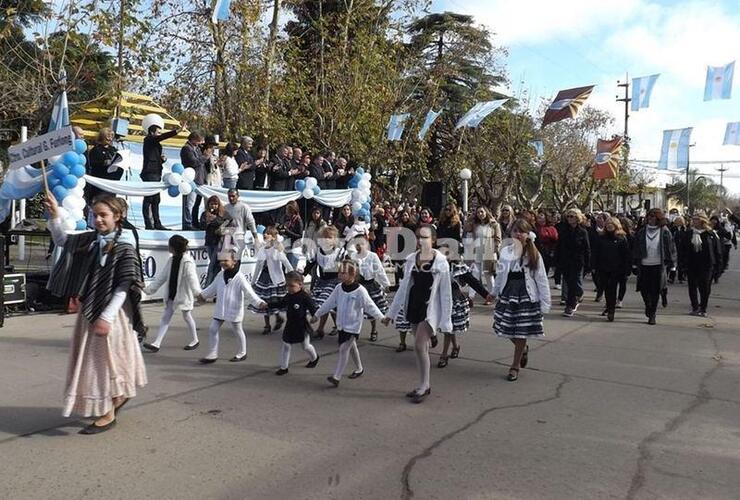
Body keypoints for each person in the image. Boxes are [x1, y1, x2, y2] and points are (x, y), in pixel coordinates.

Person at [45, 194, 146, 434]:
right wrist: (55, 214)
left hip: (113, 314)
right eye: (95, 214)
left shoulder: (125, 246)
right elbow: (61, 240)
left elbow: (124, 286)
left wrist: (106, 317)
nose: (98, 219)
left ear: (118, 217)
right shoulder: (93, 239)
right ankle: (118, 396)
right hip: (92, 308)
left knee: (102, 362)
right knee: (106, 361)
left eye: (104, 215)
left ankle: (108, 412)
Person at [385, 224, 452, 403]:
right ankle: (424, 383)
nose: (420, 240)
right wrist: (391, 313)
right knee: (421, 347)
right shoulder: (411, 259)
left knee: (419, 345)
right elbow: (403, 287)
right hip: (414, 305)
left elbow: (446, 293)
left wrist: (446, 321)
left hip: (430, 309)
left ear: (433, 240)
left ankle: (424, 385)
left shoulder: (441, 262)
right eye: (418, 237)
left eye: (424, 237)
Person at [491, 219, 551, 382]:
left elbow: (541, 279)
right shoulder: (506, 252)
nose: (518, 234)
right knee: (503, 325)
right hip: (509, 292)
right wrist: (494, 292)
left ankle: (515, 366)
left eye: (521, 231)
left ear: (527, 234)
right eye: (515, 231)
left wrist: (545, 302)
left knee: (521, 329)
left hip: (526, 294)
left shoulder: (534, 253)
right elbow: (501, 274)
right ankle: (523, 348)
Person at [316, 258, 384, 387]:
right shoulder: (338, 288)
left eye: (343, 273)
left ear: (353, 274)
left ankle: (336, 376)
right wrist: (317, 314)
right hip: (342, 324)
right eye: (339, 272)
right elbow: (329, 303)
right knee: (351, 346)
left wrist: (381, 318)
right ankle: (359, 368)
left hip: (353, 326)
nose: (339, 274)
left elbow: (370, 306)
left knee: (343, 349)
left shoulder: (360, 291)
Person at [198, 249, 267, 363]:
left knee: (237, 330)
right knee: (213, 329)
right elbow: (212, 288)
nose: (222, 263)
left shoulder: (239, 277)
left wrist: (259, 302)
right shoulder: (220, 275)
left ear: (234, 261)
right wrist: (203, 295)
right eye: (221, 261)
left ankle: (242, 352)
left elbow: (249, 292)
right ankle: (212, 354)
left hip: (234, 308)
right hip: (221, 308)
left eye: (226, 260)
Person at [437, 242, 493, 369]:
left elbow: (473, 281)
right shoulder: (435, 265)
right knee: (447, 327)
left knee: (448, 328)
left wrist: (486, 294)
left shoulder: (457, 267)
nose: (443, 255)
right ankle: (456, 346)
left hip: (453, 299)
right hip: (439, 298)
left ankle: (444, 355)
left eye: (447, 252)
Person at [141, 235, 201, 351]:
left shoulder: (187, 262)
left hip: (183, 295)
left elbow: (192, 279)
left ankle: (195, 340)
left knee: (187, 316)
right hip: (172, 294)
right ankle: (157, 343)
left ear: (173, 248)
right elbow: (162, 277)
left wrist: (197, 293)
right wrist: (148, 289)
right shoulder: (171, 259)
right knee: (166, 317)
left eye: (169, 245)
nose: (168, 247)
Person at [270, 271, 320, 375]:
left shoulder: (305, 297)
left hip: (302, 326)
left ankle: (314, 358)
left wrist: (314, 317)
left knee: (305, 346)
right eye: (287, 286)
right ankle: (284, 367)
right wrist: (267, 305)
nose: (289, 288)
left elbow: (313, 308)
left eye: (292, 286)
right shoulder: (289, 296)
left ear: (300, 285)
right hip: (290, 325)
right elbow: (280, 304)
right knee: (286, 345)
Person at [632, 208, 676, 325]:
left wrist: (672, 265)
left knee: (655, 290)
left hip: (658, 265)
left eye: (653, 217)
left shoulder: (664, 231)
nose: (650, 219)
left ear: (659, 219)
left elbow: (671, 248)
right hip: (644, 264)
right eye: (649, 217)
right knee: (644, 289)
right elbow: (636, 247)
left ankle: (652, 314)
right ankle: (648, 305)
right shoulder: (642, 231)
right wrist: (634, 264)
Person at [250, 227, 294, 334]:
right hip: (264, 278)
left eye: (268, 234)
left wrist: (293, 275)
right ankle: (267, 325)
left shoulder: (276, 250)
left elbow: (286, 263)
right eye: (265, 233)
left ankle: (279, 317)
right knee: (264, 300)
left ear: (273, 237)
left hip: (275, 279)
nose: (265, 235)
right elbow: (258, 266)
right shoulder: (262, 249)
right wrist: (253, 281)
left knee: (274, 301)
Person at [141, 121, 181, 229]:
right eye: (158, 132)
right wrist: (176, 131)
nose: (159, 134)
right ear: (152, 132)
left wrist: (162, 160)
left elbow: (154, 157)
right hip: (149, 173)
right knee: (149, 198)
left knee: (156, 199)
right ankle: (148, 224)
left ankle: (157, 223)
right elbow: (161, 137)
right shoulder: (149, 139)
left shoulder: (156, 144)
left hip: (156, 172)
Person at [351, 234, 390, 342]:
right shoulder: (353, 256)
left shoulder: (372, 256)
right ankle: (354, 331)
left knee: (371, 308)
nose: (359, 246)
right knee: (355, 310)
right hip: (358, 286)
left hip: (370, 285)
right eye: (357, 244)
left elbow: (380, 271)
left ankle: (374, 330)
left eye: (361, 244)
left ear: (366, 244)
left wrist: (386, 285)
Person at [682, 214, 723, 316]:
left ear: (702, 221)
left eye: (696, 219)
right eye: (693, 219)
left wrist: (718, 266)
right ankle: (695, 307)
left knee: (704, 287)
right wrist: (682, 263)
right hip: (692, 264)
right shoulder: (689, 233)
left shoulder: (710, 234)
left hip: (707, 265)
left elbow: (717, 250)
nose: (694, 221)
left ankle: (703, 308)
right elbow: (683, 249)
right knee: (692, 286)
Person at [592, 217, 631, 322]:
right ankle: (609, 306)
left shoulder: (621, 238)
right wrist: (594, 266)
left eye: (611, 223)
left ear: (616, 225)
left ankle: (611, 310)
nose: (609, 225)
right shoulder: (601, 238)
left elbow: (626, 255)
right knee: (605, 289)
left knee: (612, 289)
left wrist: (627, 268)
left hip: (616, 269)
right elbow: (596, 253)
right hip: (603, 268)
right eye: (607, 223)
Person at [311, 226, 346, 338]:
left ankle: (337, 328)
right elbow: (311, 263)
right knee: (327, 306)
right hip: (322, 281)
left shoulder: (339, 251)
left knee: (326, 304)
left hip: (334, 282)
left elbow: (348, 264)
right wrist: (302, 274)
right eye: (324, 237)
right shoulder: (318, 251)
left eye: (329, 237)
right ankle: (324, 329)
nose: (326, 240)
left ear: (335, 239)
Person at [463, 206, 501, 305]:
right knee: (474, 275)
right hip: (477, 252)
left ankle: (492, 296)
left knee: (488, 276)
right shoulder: (475, 224)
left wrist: (495, 250)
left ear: (486, 212)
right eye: (478, 212)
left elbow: (498, 239)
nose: (480, 214)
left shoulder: (494, 224)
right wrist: (470, 217)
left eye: (482, 212)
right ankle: (471, 297)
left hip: (489, 252)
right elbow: (466, 228)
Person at [557, 208, 590, 317]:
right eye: (568, 216)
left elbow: (587, 248)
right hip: (565, 260)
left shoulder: (582, 232)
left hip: (577, 261)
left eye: (572, 216)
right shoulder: (563, 230)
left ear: (578, 218)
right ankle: (575, 297)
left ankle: (570, 305)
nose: (570, 218)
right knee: (568, 282)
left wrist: (588, 263)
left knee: (573, 282)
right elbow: (559, 246)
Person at [85, 128, 123, 205]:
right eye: (108, 136)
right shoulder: (96, 150)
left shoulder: (113, 150)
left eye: (112, 136)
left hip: (111, 183)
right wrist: (104, 163)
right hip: (99, 184)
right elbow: (92, 164)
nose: (110, 138)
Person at [200, 195, 232, 287]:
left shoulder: (223, 213)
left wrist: (215, 221)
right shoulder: (205, 214)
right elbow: (201, 226)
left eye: (215, 204)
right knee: (216, 266)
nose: (213, 206)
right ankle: (216, 287)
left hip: (219, 242)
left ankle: (207, 287)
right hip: (209, 241)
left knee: (212, 264)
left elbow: (230, 221)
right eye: (211, 204)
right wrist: (207, 221)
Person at [180, 132, 205, 230]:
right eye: (199, 140)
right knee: (188, 204)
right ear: (193, 139)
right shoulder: (186, 148)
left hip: (198, 178)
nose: (200, 143)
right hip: (190, 179)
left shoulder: (197, 149)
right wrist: (205, 157)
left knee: (194, 203)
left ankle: (192, 222)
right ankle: (187, 224)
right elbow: (194, 162)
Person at [224, 188, 258, 258]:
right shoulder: (225, 208)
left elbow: (250, 222)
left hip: (239, 237)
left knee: (235, 260)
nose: (231, 198)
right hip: (227, 238)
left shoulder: (244, 207)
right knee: (227, 262)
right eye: (229, 196)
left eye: (233, 196)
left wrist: (256, 237)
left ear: (238, 196)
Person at [279, 200, 304, 269]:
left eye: (288, 209)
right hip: (285, 246)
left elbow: (299, 235)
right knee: (283, 268)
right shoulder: (285, 218)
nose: (286, 211)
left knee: (291, 269)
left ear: (293, 209)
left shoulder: (298, 220)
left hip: (294, 248)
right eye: (286, 209)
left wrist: (287, 231)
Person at [535, 211, 558, 276]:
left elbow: (555, 239)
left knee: (545, 269)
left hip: (547, 251)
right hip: (536, 250)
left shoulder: (551, 228)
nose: (539, 218)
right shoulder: (534, 227)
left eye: (541, 216)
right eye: (538, 217)